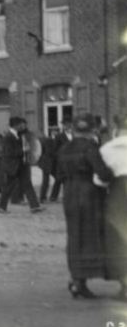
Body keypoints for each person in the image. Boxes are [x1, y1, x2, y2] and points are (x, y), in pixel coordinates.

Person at [57, 114, 112, 298]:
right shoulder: (91, 147)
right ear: (90, 130)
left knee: (74, 236)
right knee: (90, 237)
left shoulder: (64, 148)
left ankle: (76, 280)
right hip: (89, 195)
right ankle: (82, 280)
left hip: (70, 194)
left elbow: (58, 174)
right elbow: (103, 173)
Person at [100, 114, 127, 300]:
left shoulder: (107, 148)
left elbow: (99, 179)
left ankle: (125, 282)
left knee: (119, 237)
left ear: (115, 129)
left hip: (118, 192)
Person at [0, 117, 45, 214]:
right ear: (15, 125)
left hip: (21, 165)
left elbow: (28, 133)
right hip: (12, 165)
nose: (23, 126)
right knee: (8, 187)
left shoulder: (18, 134)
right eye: (20, 124)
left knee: (27, 184)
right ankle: (1, 207)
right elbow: (9, 152)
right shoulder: (8, 137)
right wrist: (23, 150)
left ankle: (34, 206)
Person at [38, 129, 58, 202]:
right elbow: (49, 152)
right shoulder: (49, 140)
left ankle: (52, 196)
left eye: (57, 131)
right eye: (55, 131)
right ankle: (42, 197)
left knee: (58, 178)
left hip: (52, 163)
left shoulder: (55, 140)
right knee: (46, 180)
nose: (56, 133)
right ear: (51, 133)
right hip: (47, 162)